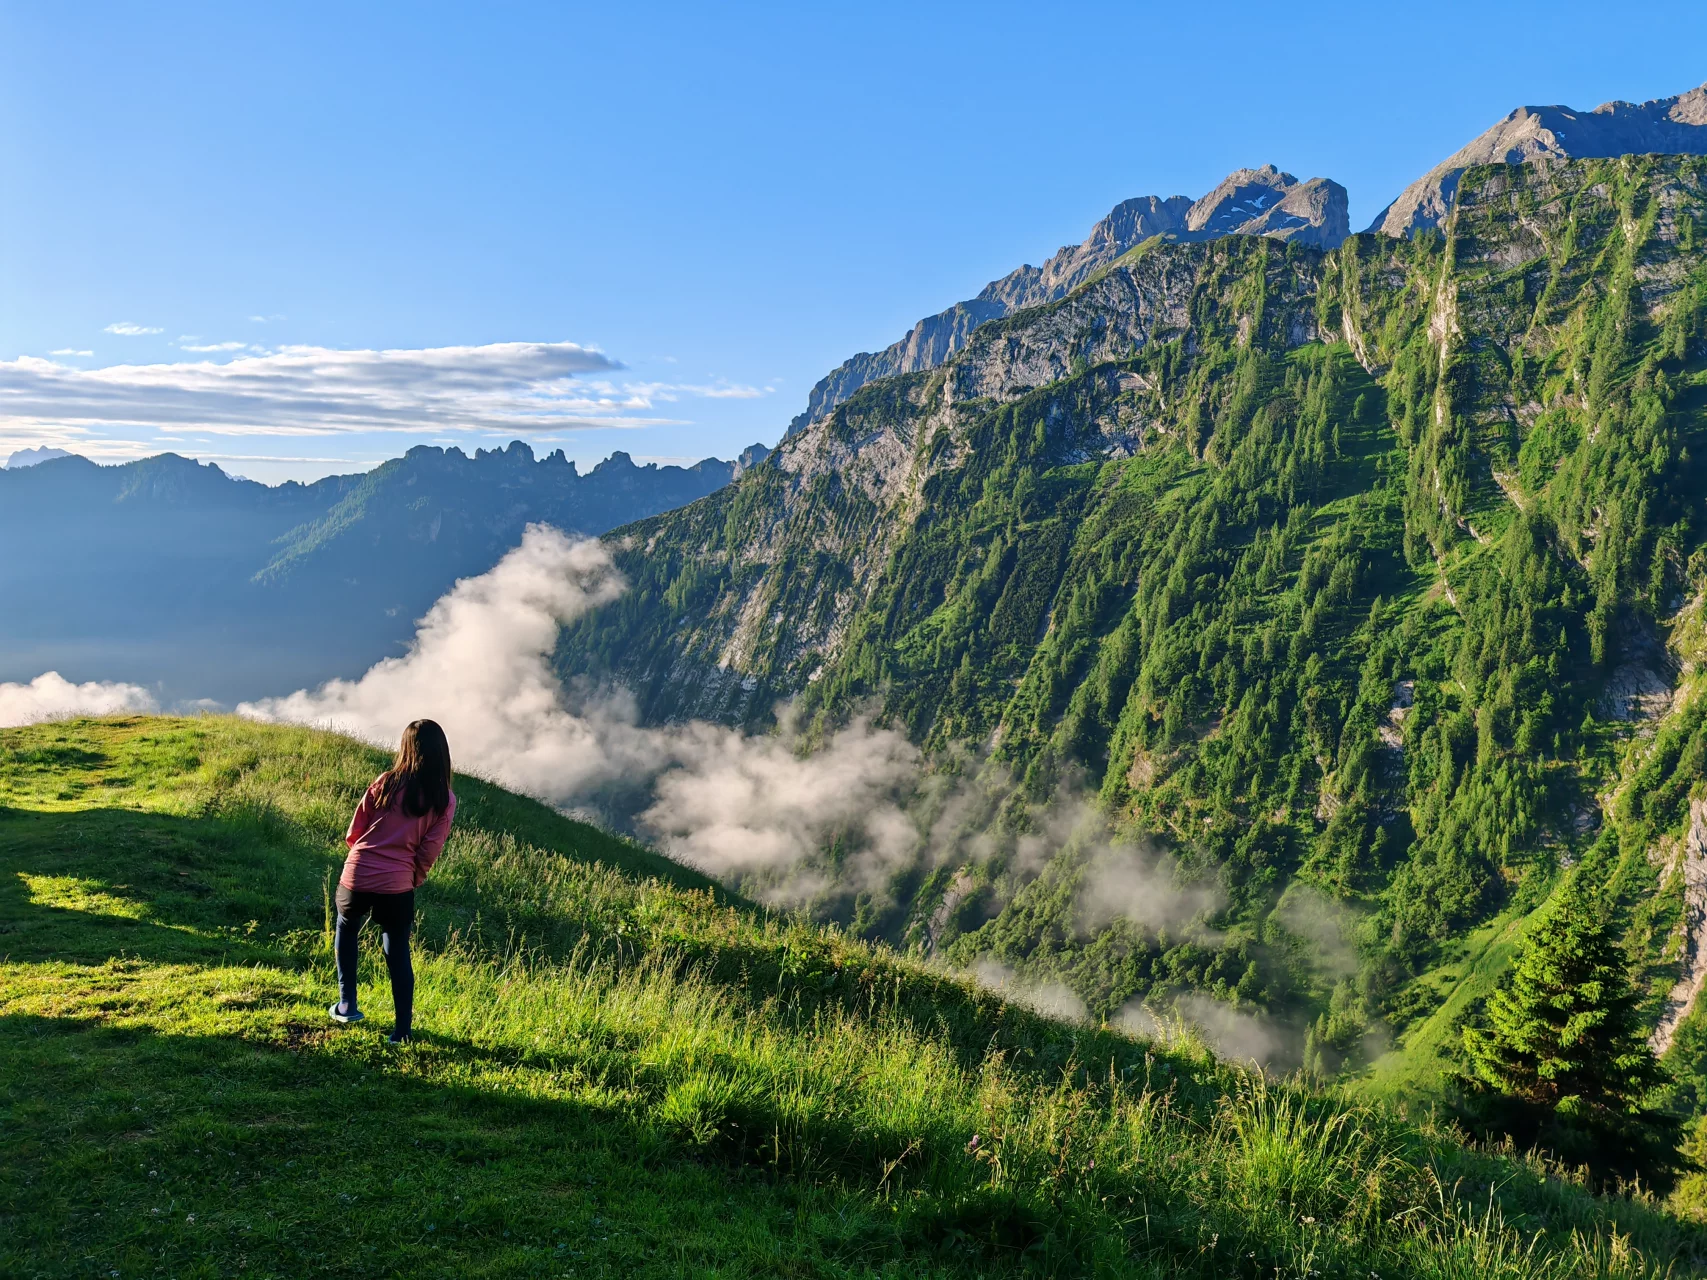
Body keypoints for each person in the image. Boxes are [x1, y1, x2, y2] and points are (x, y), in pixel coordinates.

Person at [329, 718, 456, 1043]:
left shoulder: (384, 782)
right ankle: (401, 1032)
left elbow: (354, 833)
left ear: (406, 748)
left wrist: (363, 860)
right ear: (442, 753)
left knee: (347, 928)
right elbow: (429, 849)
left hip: (357, 873)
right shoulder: (443, 798)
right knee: (396, 949)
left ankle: (347, 1006)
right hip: (398, 882)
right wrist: (411, 877)